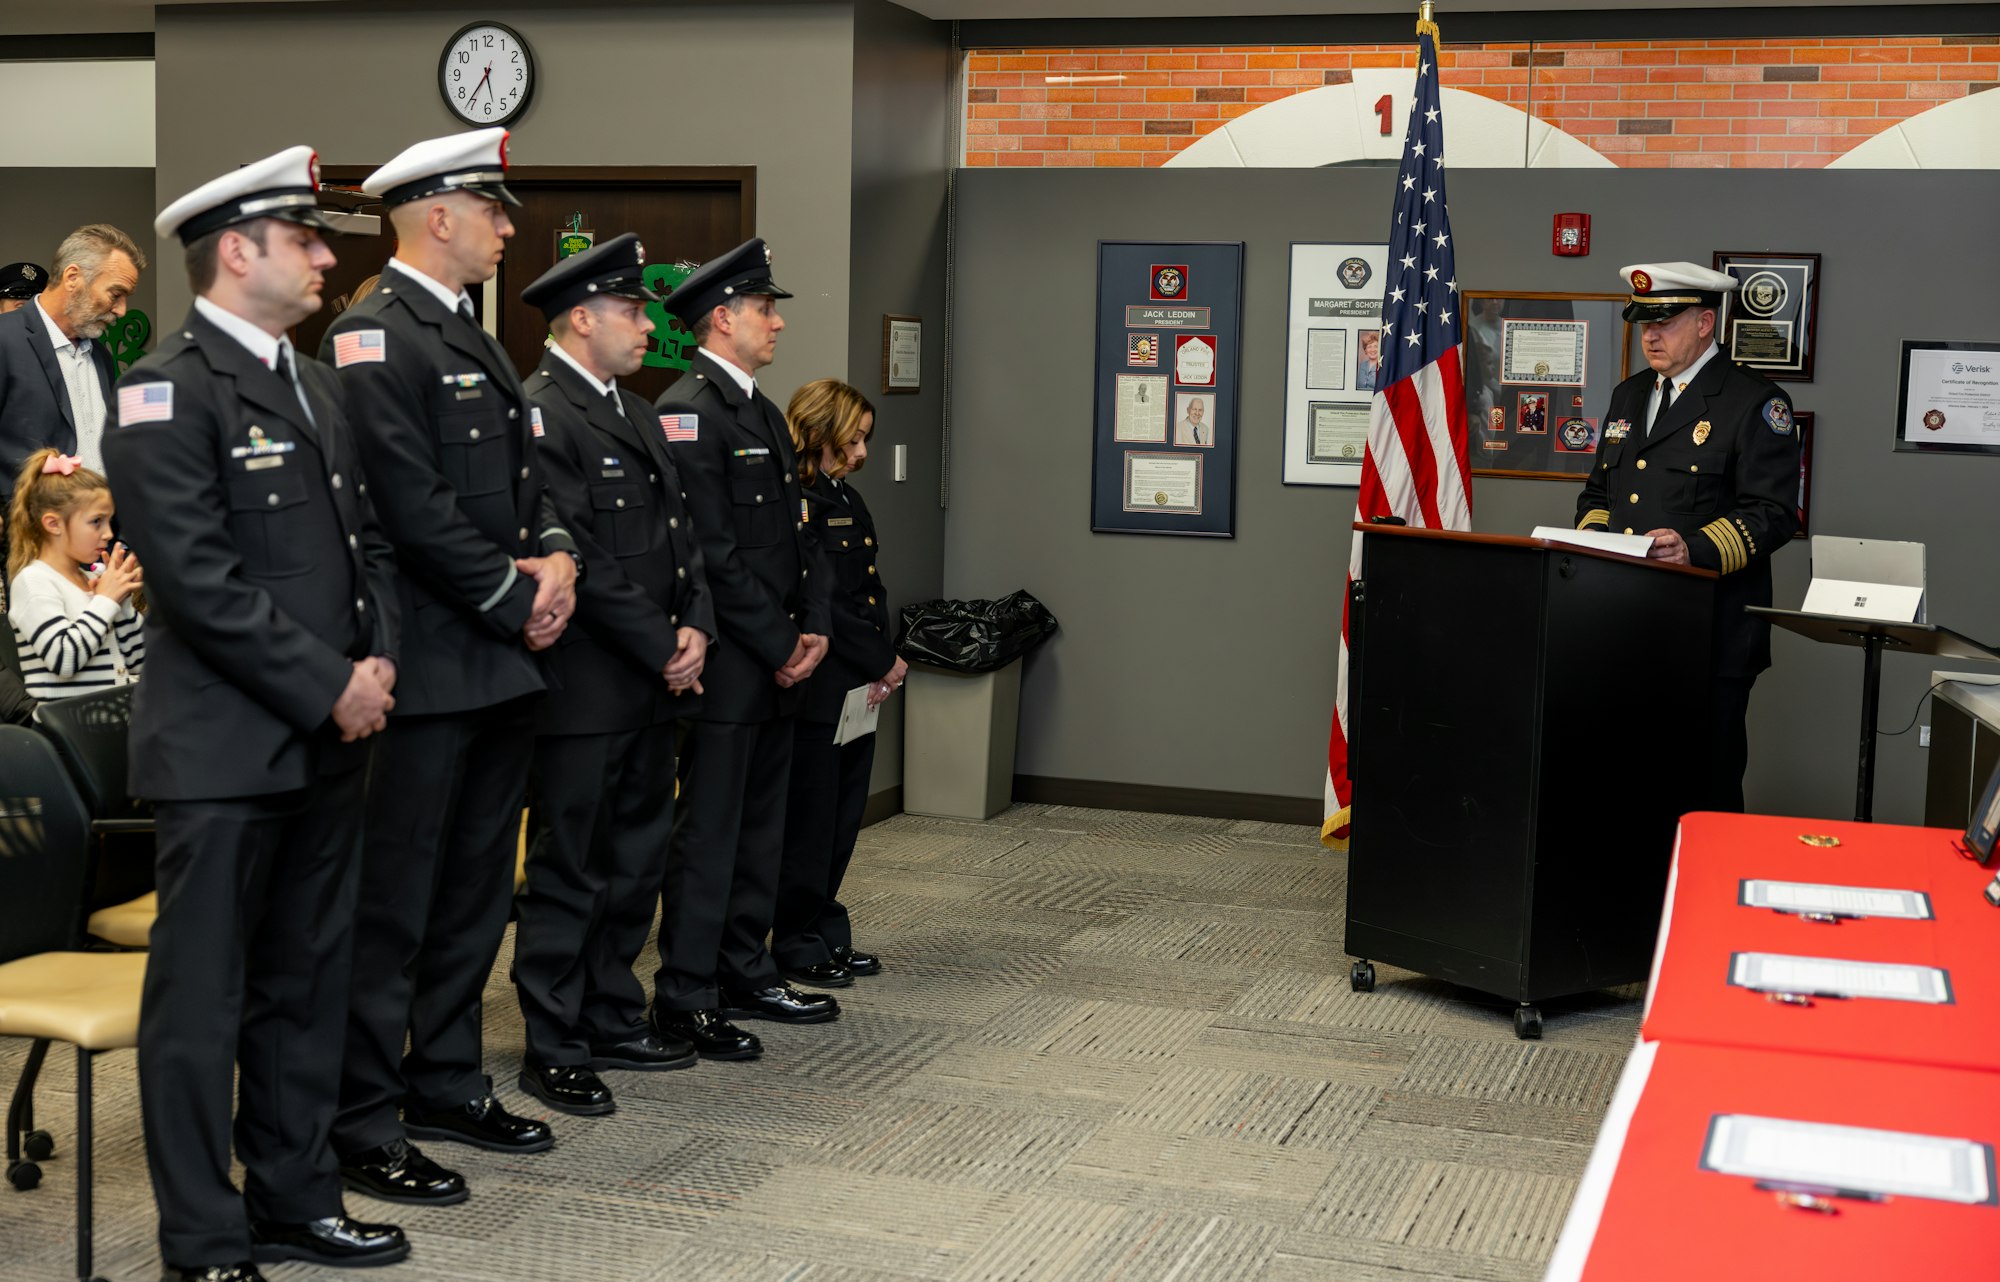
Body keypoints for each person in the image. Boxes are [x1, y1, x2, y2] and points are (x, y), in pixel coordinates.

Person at [105, 145, 407, 1282]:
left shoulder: (312, 380)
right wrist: (330, 681)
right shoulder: (163, 389)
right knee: (204, 1004)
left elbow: (362, 553)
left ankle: (294, 1196)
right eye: (308, 238)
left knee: (306, 978)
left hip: (331, 736)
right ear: (238, 250)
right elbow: (197, 580)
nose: (331, 255)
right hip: (223, 753)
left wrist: (373, 668)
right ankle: (203, 1236)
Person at [323, 127, 580, 1203]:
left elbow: (526, 484)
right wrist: (517, 594)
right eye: (495, 211)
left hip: (497, 663)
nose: (509, 229)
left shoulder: (470, 335)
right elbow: (410, 510)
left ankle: (446, 1076)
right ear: (439, 217)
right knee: (393, 905)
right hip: (427, 663)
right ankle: (362, 1117)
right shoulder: (376, 338)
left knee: (474, 894)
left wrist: (560, 552)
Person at [512, 232, 714, 1114]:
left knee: (635, 860)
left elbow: (683, 540)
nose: (646, 326)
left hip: (648, 681)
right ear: (581, 318)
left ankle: (609, 1011)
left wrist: (696, 625)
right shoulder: (541, 411)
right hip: (589, 683)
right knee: (572, 867)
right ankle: (552, 1041)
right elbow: (576, 550)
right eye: (632, 311)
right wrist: (660, 640)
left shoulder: (633, 411)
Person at [649, 237, 837, 1060]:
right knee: (712, 831)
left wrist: (814, 627)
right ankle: (687, 992)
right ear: (722, 318)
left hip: (778, 659)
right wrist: (778, 641)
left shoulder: (759, 408)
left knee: (762, 826)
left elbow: (798, 540)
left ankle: (745, 967)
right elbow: (712, 555)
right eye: (766, 310)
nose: (777, 326)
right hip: (732, 663)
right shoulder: (687, 410)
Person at [1576, 261, 1800, 812]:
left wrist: (1692, 548)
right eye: (1643, 323)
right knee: (1625, 776)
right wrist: (1599, 549)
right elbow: (1598, 496)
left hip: (1709, 629)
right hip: (1627, 623)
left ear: (1705, 323)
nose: (1649, 334)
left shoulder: (1754, 402)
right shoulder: (1629, 396)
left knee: (1704, 783)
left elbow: (1773, 513)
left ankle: (1707, 892)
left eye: (1666, 322)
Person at [773, 379, 898, 988]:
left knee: (845, 815)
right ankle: (794, 941)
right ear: (822, 433)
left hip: (857, 682)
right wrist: (883, 660)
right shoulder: (801, 500)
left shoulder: (842, 494)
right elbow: (831, 605)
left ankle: (825, 928)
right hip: (821, 684)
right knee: (811, 820)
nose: (864, 451)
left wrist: (878, 663)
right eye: (855, 438)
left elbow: (867, 588)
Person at [0, 225, 145, 491]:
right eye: (115, 294)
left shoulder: (100, 354)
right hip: (25, 527)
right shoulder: (5, 338)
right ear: (72, 277)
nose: (122, 310)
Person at [6, 450, 144, 701]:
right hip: (71, 733)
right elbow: (63, 659)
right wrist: (106, 601)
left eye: (109, 522)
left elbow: (140, 661)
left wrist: (122, 604)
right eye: (96, 522)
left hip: (113, 724)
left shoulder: (89, 580)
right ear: (53, 524)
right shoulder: (33, 581)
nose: (108, 534)